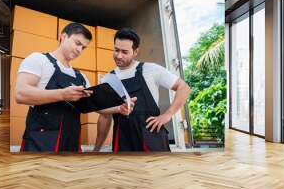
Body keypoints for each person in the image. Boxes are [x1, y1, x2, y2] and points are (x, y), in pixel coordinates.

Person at [15, 23, 134, 153]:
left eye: (83, 47)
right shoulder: (39, 60)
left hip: (71, 144)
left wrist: (119, 108)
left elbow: (97, 106)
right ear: (64, 37)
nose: (79, 50)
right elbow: (21, 94)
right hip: (41, 143)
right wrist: (62, 94)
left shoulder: (80, 77)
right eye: (77, 43)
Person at [94, 28, 191, 152]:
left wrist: (167, 115)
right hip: (122, 140)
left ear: (135, 52)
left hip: (151, 137)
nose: (119, 55)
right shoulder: (108, 79)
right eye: (116, 50)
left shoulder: (151, 69)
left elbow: (184, 88)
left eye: (124, 52)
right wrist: (96, 149)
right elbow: (104, 116)